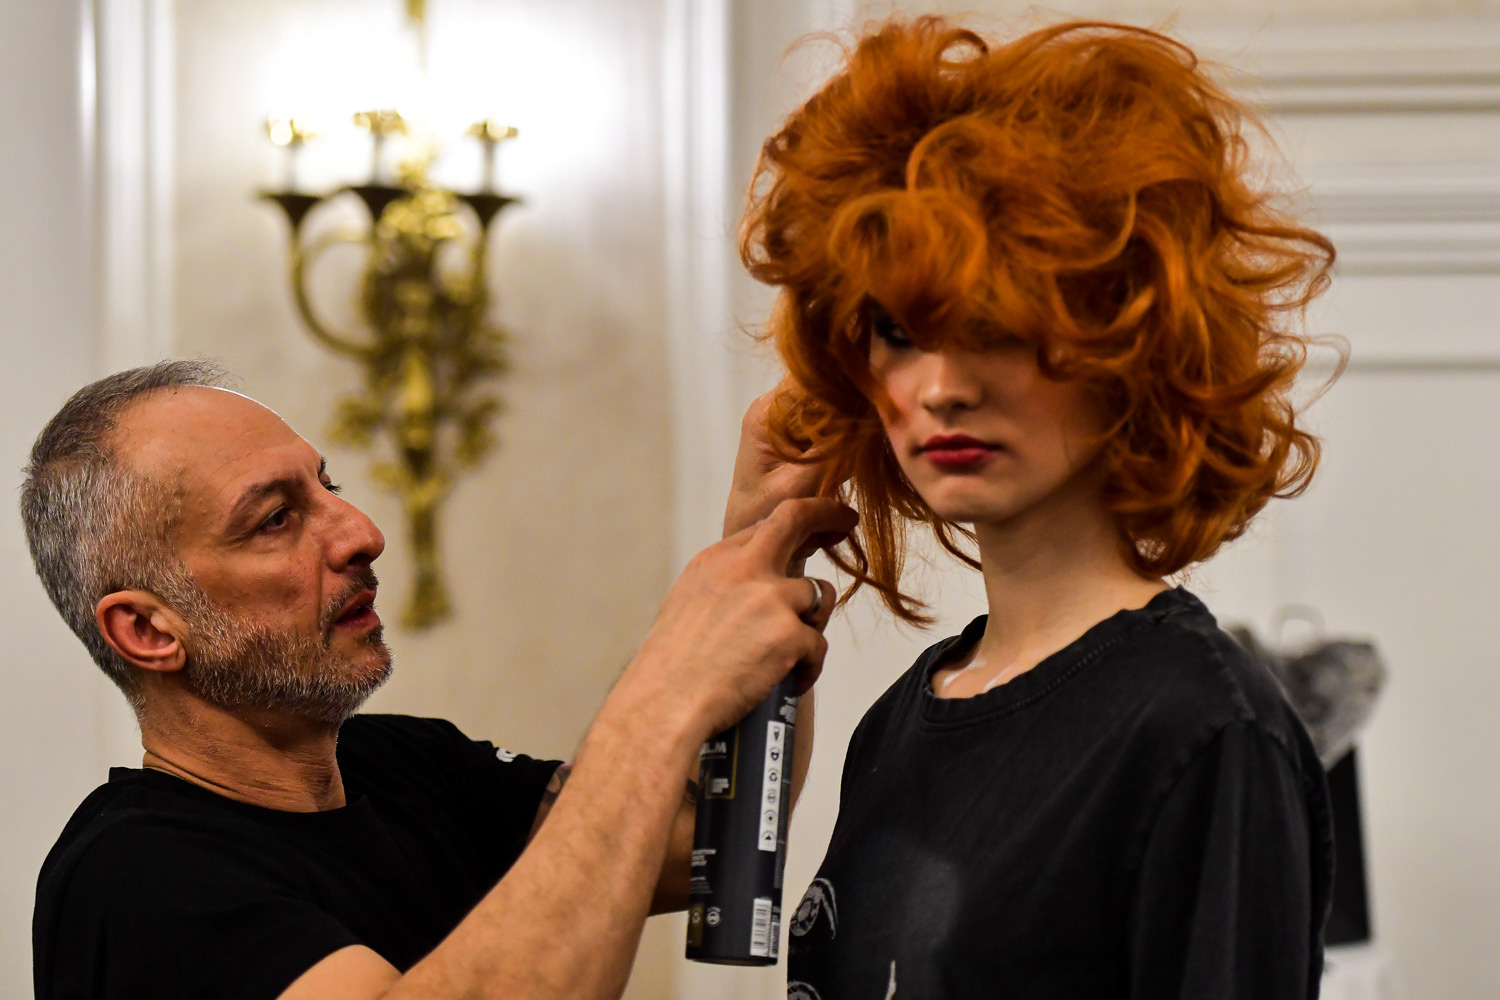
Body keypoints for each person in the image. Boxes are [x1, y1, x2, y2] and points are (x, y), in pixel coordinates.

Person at [738, 16, 1339, 999]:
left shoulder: (1199, 731)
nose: (940, 388)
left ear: (1126, 337)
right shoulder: (899, 724)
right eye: (897, 332)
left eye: (994, 323)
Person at [23, 360, 851, 1000]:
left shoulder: (406, 766)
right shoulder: (132, 879)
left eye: (328, 486)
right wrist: (660, 696)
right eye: (275, 519)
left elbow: (701, 841)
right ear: (147, 631)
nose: (362, 532)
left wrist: (762, 532)